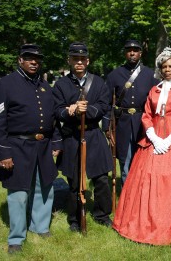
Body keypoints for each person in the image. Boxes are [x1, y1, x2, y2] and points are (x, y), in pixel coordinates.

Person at [112, 47, 171, 245]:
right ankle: (144, 222)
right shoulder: (155, 89)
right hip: (154, 137)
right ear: (160, 69)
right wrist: (153, 136)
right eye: (164, 66)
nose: (167, 69)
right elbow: (147, 114)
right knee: (146, 178)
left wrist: (169, 140)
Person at [0, 44, 62, 254]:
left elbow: (53, 117)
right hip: (17, 146)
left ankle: (40, 226)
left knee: (44, 187)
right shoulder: (5, 85)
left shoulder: (45, 86)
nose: (34, 62)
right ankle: (17, 237)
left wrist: (56, 142)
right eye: (29, 58)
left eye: (37, 59)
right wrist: (3, 152)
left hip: (43, 146)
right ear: (20, 59)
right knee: (18, 192)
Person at [53, 42, 113, 231]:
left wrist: (89, 110)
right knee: (74, 180)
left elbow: (104, 106)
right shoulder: (61, 84)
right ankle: (75, 219)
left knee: (102, 179)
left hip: (94, 134)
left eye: (82, 59)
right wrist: (70, 111)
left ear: (87, 61)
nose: (79, 62)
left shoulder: (98, 82)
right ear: (69, 60)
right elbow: (56, 110)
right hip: (72, 136)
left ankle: (102, 214)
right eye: (75, 58)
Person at [103, 40, 158, 187]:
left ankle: (142, 192)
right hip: (123, 123)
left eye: (135, 50)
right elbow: (106, 102)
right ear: (125, 53)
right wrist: (107, 127)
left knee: (144, 159)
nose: (132, 53)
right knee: (125, 160)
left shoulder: (151, 74)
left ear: (140, 53)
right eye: (129, 50)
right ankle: (127, 194)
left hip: (144, 123)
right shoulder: (114, 75)